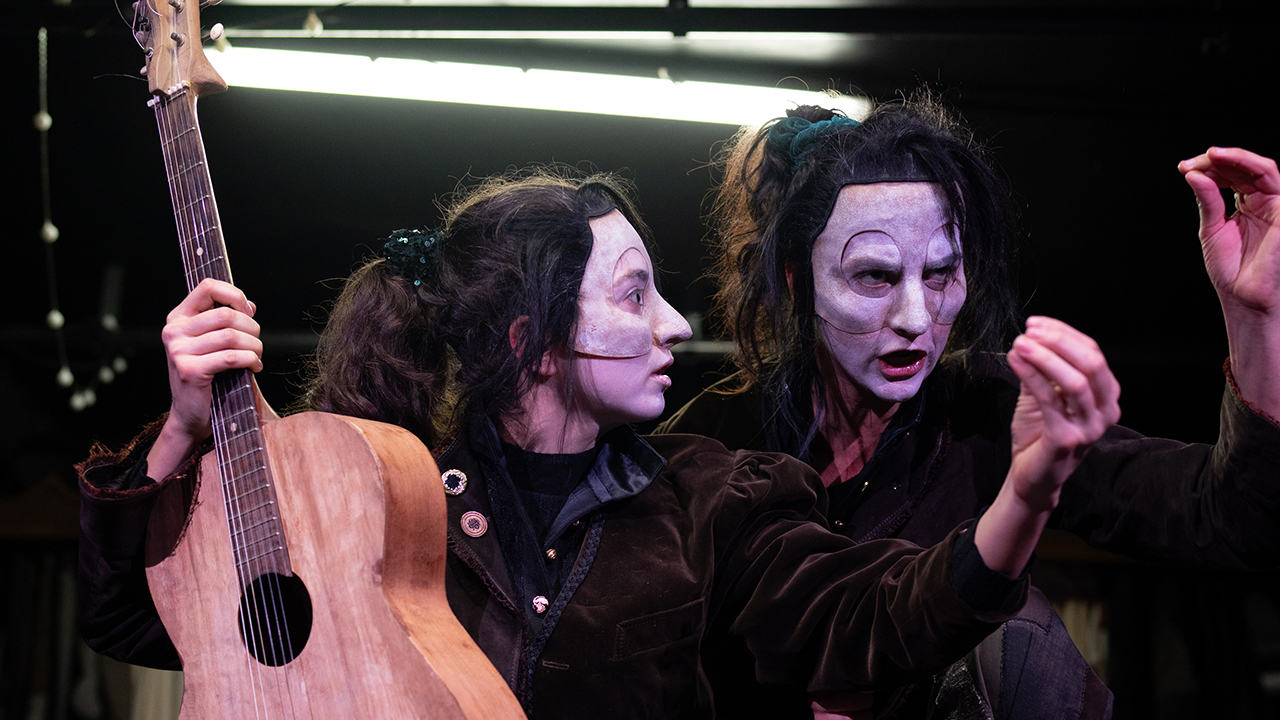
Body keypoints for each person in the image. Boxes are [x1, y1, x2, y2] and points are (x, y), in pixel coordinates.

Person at [79, 169, 1119, 718]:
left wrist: (1025, 494)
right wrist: (181, 426)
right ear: (531, 342)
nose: (673, 323)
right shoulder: (383, 507)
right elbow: (135, 619)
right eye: (632, 295)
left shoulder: (712, 501)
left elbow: (875, 619)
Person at [656, 97, 1280, 720]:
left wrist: (1256, 315)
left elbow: (1232, 519)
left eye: (940, 273)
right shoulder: (714, 446)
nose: (915, 318)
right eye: (873, 277)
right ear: (798, 280)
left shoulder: (992, 410)